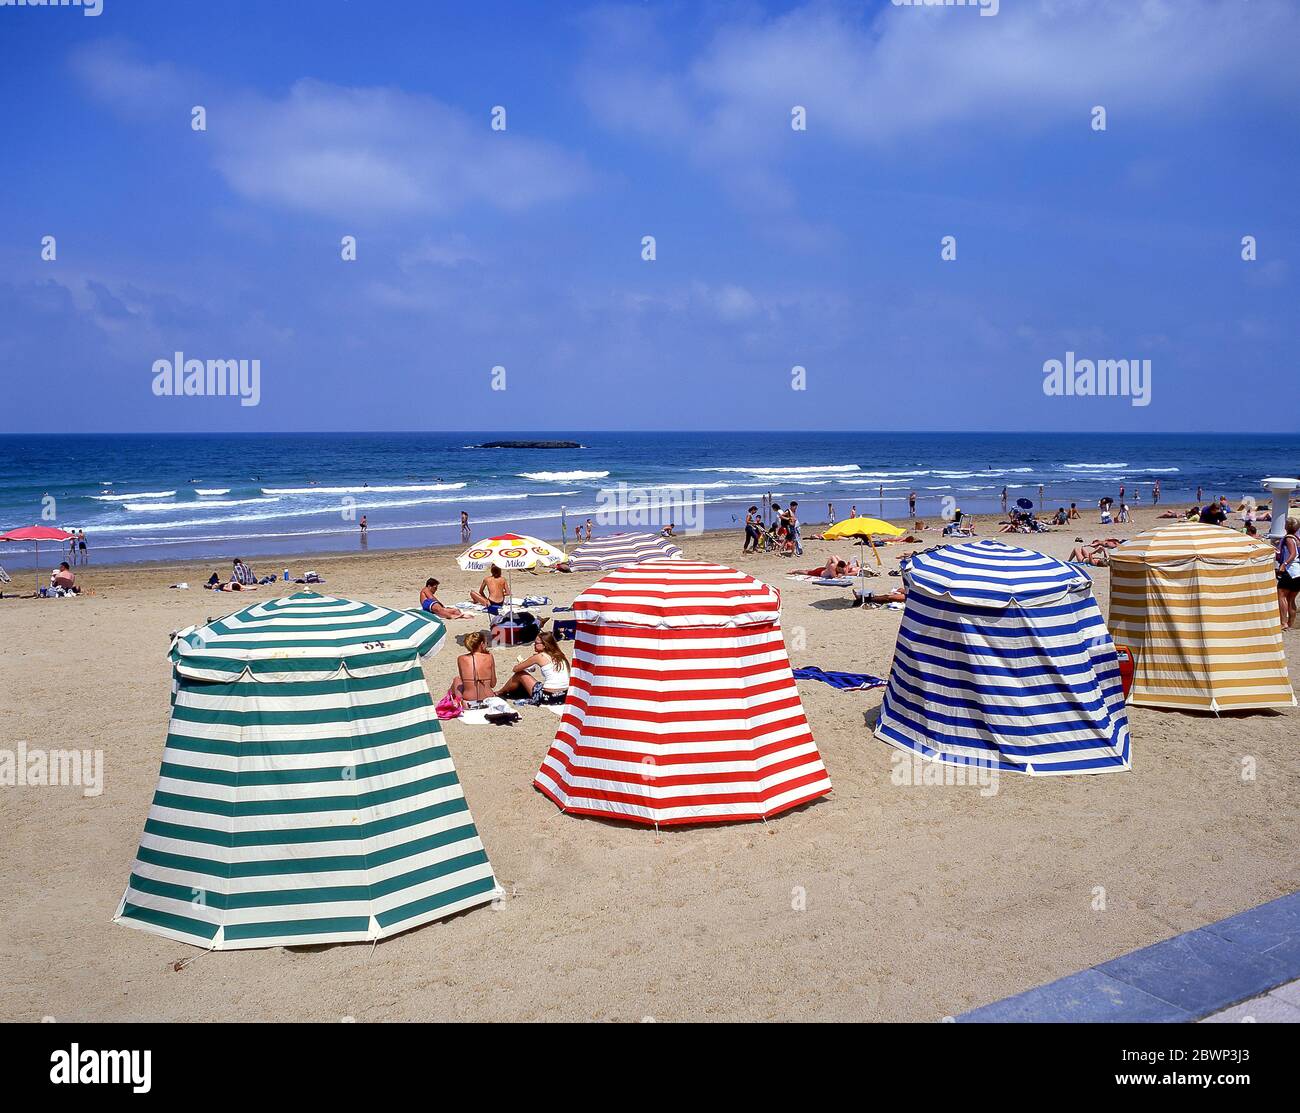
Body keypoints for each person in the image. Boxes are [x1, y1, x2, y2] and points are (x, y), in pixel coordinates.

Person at [497, 632, 570, 703]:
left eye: (536, 643)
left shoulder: (539, 656)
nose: (534, 645)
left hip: (548, 697)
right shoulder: (560, 655)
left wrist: (524, 662)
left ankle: (499, 692)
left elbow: (515, 669)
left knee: (520, 674)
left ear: (544, 645)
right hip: (564, 695)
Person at [454, 631, 497, 705]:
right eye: (486, 643)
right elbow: (493, 684)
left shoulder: (461, 659)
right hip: (488, 700)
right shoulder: (489, 657)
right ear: (482, 644)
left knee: (457, 680)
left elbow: (464, 681)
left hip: (469, 701)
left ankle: (457, 702)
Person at [1276, 518, 1300, 630]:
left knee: (1282, 595)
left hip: (1290, 571)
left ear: (1287, 526)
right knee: (1291, 599)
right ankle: (1290, 623)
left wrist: (1284, 564)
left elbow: (1293, 554)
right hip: (1298, 572)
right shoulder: (1297, 539)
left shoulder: (1289, 538)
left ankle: (1284, 623)